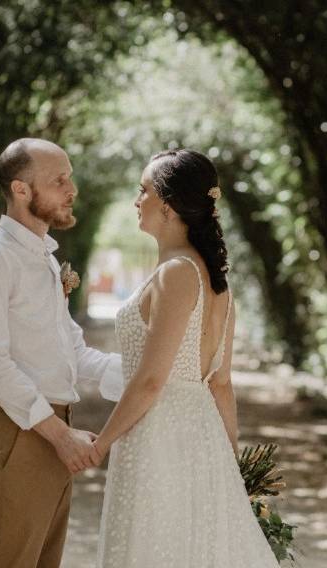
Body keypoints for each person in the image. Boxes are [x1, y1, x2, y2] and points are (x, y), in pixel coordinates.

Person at [91, 149, 280, 567]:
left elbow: (151, 379)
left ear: (169, 205)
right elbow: (220, 384)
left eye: (143, 191)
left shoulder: (177, 273)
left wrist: (101, 442)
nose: (136, 201)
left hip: (160, 435)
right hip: (202, 437)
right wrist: (232, 468)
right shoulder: (218, 284)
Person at [0, 138, 123, 568]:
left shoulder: (45, 260)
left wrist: (149, 376)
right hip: (20, 434)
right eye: (59, 180)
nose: (73, 190)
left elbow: (74, 351)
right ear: (21, 190)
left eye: (71, 178)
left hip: (50, 431)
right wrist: (60, 435)